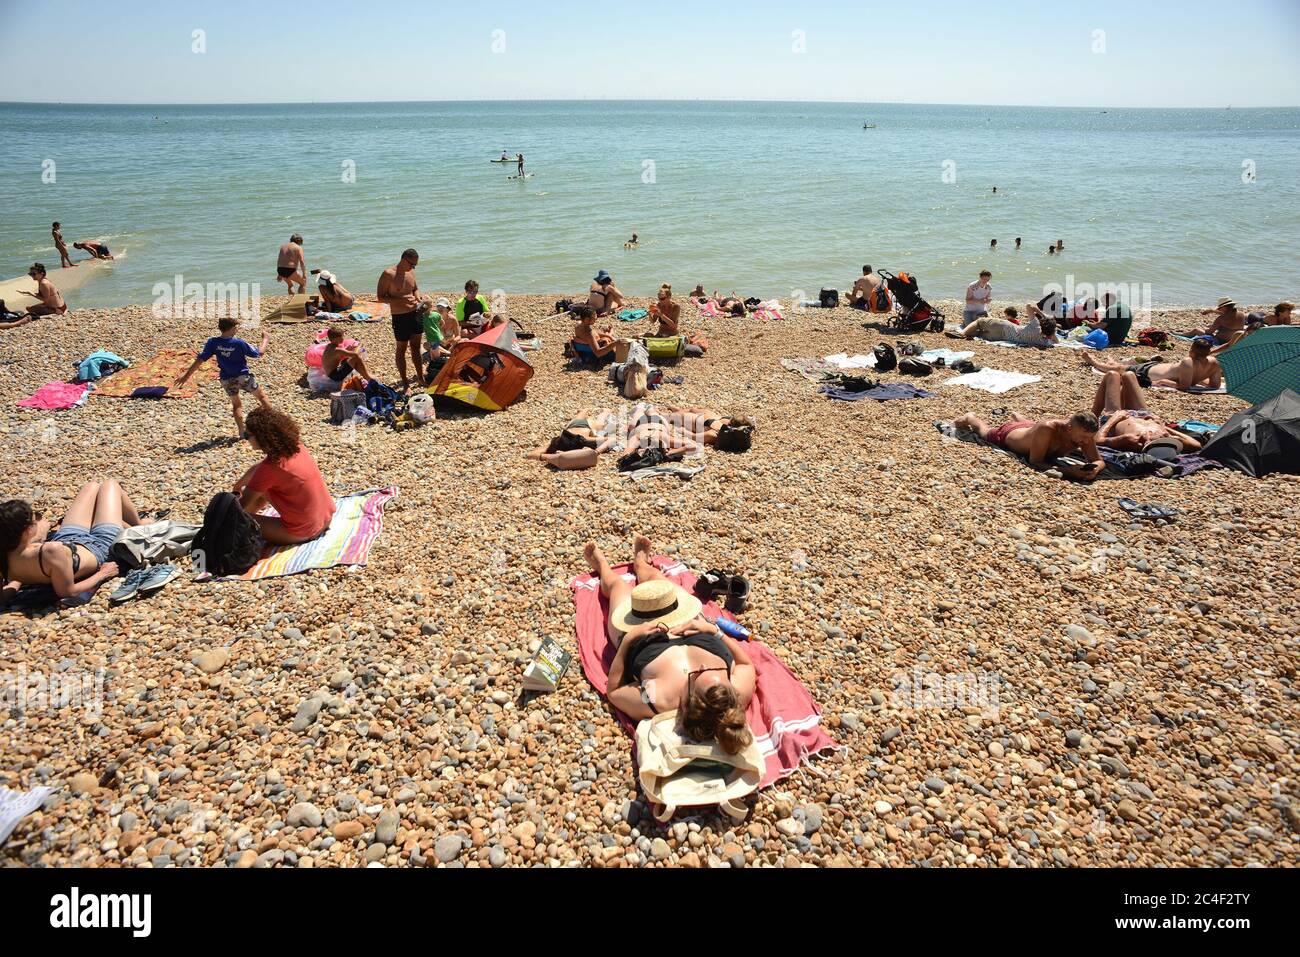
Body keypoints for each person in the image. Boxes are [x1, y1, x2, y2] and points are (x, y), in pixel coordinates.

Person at [585, 535, 756, 750]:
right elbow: (746, 664)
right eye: (714, 670)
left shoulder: (659, 699)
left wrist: (628, 641)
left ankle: (602, 567)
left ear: (691, 700)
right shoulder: (735, 695)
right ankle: (641, 564)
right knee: (658, 582)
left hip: (643, 636)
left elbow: (615, 692)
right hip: (689, 622)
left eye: (698, 674)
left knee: (619, 587)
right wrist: (715, 632)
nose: (704, 665)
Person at [0, 481, 140, 603]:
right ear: (28, 530)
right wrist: (103, 573)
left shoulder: (5, 556)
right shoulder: (51, 551)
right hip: (100, 545)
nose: (38, 520)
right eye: (35, 519)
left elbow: (2, 596)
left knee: (91, 486)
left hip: (66, 538)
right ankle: (141, 527)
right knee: (110, 485)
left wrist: (19, 579)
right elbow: (68, 591)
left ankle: (132, 524)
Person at [233, 408, 335, 545]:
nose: (246, 439)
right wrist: (238, 485)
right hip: (326, 519)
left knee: (236, 520)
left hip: (304, 532)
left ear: (261, 437)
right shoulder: (296, 447)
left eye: (247, 435)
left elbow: (240, 506)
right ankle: (251, 516)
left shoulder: (270, 468)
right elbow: (258, 469)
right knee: (262, 489)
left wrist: (227, 509)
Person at [175, 316, 272, 438]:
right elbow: (259, 353)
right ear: (232, 328)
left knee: (237, 404)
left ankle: (241, 432)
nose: (237, 329)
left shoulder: (213, 342)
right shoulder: (239, 343)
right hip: (242, 376)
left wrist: (186, 376)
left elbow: (200, 360)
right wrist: (265, 339)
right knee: (262, 397)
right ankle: (274, 422)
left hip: (226, 379)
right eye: (236, 327)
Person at [950, 410, 1105, 481]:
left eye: (1089, 438)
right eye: (1083, 437)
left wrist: (1095, 469)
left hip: (1031, 433)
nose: (1086, 442)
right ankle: (970, 418)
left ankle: (1021, 419)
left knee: (1031, 428)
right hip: (1009, 435)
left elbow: (1099, 461)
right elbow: (1035, 461)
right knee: (984, 432)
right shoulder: (1048, 429)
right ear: (1069, 428)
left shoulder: (1084, 434)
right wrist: (1069, 471)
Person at [1091, 371, 1203, 454]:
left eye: (1163, 437)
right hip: (1143, 415)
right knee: (1129, 375)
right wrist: (1164, 427)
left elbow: (1098, 441)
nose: (1164, 435)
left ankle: (1090, 419)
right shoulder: (1167, 440)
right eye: (1166, 437)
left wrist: (1114, 419)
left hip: (1116, 418)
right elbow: (1196, 445)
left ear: (1147, 442)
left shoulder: (1134, 440)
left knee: (1112, 375)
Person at [1083, 336, 1222, 391]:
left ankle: (1094, 362)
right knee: (1120, 366)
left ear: (1192, 351)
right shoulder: (1215, 362)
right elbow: (1215, 385)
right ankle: (1110, 362)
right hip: (1155, 367)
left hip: (1150, 372)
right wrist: (1198, 380)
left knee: (1120, 369)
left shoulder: (1188, 362)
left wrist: (1164, 382)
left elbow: (1183, 387)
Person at [377, 248, 429, 389]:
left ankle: (420, 378)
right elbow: (380, 297)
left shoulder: (410, 272)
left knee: (416, 348)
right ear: (404, 259)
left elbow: (415, 288)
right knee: (401, 349)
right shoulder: (388, 274)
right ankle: (405, 383)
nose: (413, 267)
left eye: (415, 265)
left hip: (415, 313)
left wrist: (418, 298)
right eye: (412, 264)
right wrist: (401, 301)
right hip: (400, 316)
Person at [658, 407, 755, 452]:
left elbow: (693, 436)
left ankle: (665, 413)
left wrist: (680, 429)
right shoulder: (725, 428)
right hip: (709, 417)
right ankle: (678, 410)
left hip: (696, 421)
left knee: (669, 416)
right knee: (692, 409)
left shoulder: (713, 434)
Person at [955, 305, 1057, 346]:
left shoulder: (1035, 326)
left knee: (980, 322)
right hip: (1001, 337)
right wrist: (1052, 332)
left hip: (1003, 326)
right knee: (978, 334)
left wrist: (1043, 315)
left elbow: (1029, 306)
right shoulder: (1043, 342)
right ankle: (968, 332)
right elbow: (1056, 341)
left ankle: (962, 333)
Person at [424, 296, 460, 366]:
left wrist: (451, 341)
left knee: (464, 341)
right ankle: (448, 353)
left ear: (447, 309)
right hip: (439, 344)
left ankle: (442, 354)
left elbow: (458, 336)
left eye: (442, 307)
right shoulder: (433, 319)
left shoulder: (453, 319)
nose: (440, 309)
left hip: (450, 344)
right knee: (426, 344)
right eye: (438, 306)